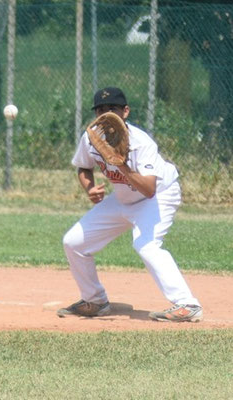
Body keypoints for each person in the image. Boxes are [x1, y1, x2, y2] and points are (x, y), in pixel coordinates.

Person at [57, 87, 202, 322]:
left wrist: (122, 165)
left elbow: (148, 189)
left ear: (125, 112)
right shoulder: (92, 137)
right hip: (123, 198)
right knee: (73, 242)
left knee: (146, 245)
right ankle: (95, 301)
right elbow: (83, 166)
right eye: (101, 110)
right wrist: (89, 188)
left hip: (158, 196)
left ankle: (188, 304)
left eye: (112, 108)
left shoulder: (141, 143)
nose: (106, 114)